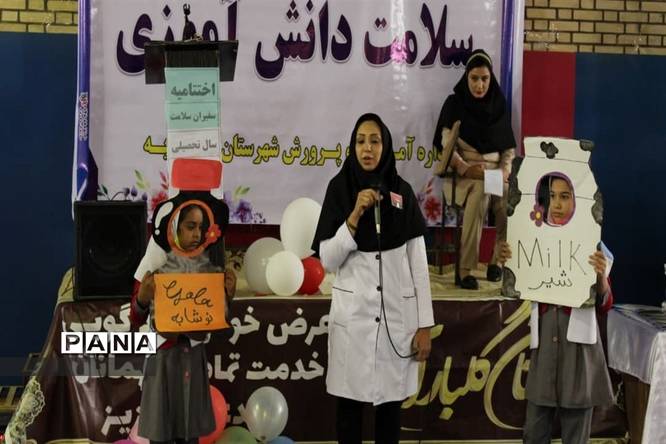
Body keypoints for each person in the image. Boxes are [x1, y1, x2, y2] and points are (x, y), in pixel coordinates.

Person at [312, 113, 435, 444]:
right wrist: (353, 217)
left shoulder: (402, 193)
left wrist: (424, 325)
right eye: (361, 141)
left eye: (375, 141)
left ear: (386, 146)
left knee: (389, 412)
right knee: (349, 413)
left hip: (396, 321)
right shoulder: (339, 189)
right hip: (352, 324)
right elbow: (328, 260)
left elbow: (419, 267)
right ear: (353, 147)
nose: (367, 148)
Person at [497, 176, 614, 444]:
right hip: (545, 349)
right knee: (534, 432)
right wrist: (507, 262)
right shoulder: (533, 239)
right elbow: (515, 288)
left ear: (577, 200)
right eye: (552, 196)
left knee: (575, 436)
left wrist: (601, 278)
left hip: (579, 353)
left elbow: (605, 303)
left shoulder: (593, 244)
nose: (557, 204)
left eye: (564, 196)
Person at [129, 203, 236, 444]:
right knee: (161, 433)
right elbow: (135, 319)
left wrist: (227, 297)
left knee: (189, 435)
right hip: (162, 363)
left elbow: (220, 324)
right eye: (190, 226)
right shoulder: (155, 268)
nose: (197, 233)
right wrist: (143, 298)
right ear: (174, 229)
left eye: (200, 227)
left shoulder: (208, 270)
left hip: (193, 361)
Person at [433, 49, 516, 290]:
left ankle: (497, 262)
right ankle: (465, 269)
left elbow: (508, 150)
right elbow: (446, 145)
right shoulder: (454, 104)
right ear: (466, 77)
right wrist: (465, 168)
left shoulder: (499, 105)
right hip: (464, 177)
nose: (480, 85)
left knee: (510, 198)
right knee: (481, 191)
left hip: (494, 176)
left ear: (491, 79)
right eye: (474, 78)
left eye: (485, 79)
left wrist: (504, 171)